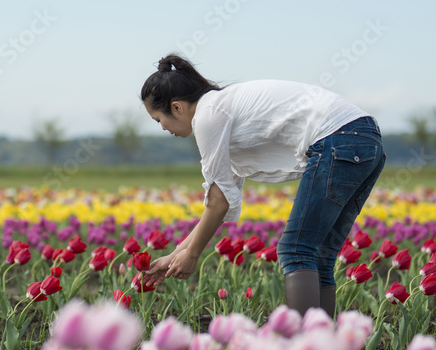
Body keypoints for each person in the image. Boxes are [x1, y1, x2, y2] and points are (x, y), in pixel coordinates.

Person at [139, 54, 386, 317]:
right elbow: (219, 202)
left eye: (158, 120)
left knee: (295, 250)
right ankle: (323, 347)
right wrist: (177, 254)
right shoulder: (224, 109)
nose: (163, 128)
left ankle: (303, 347)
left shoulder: (209, 115)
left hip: (339, 138)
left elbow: (218, 202)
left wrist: (193, 255)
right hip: (366, 140)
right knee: (319, 255)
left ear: (177, 107)